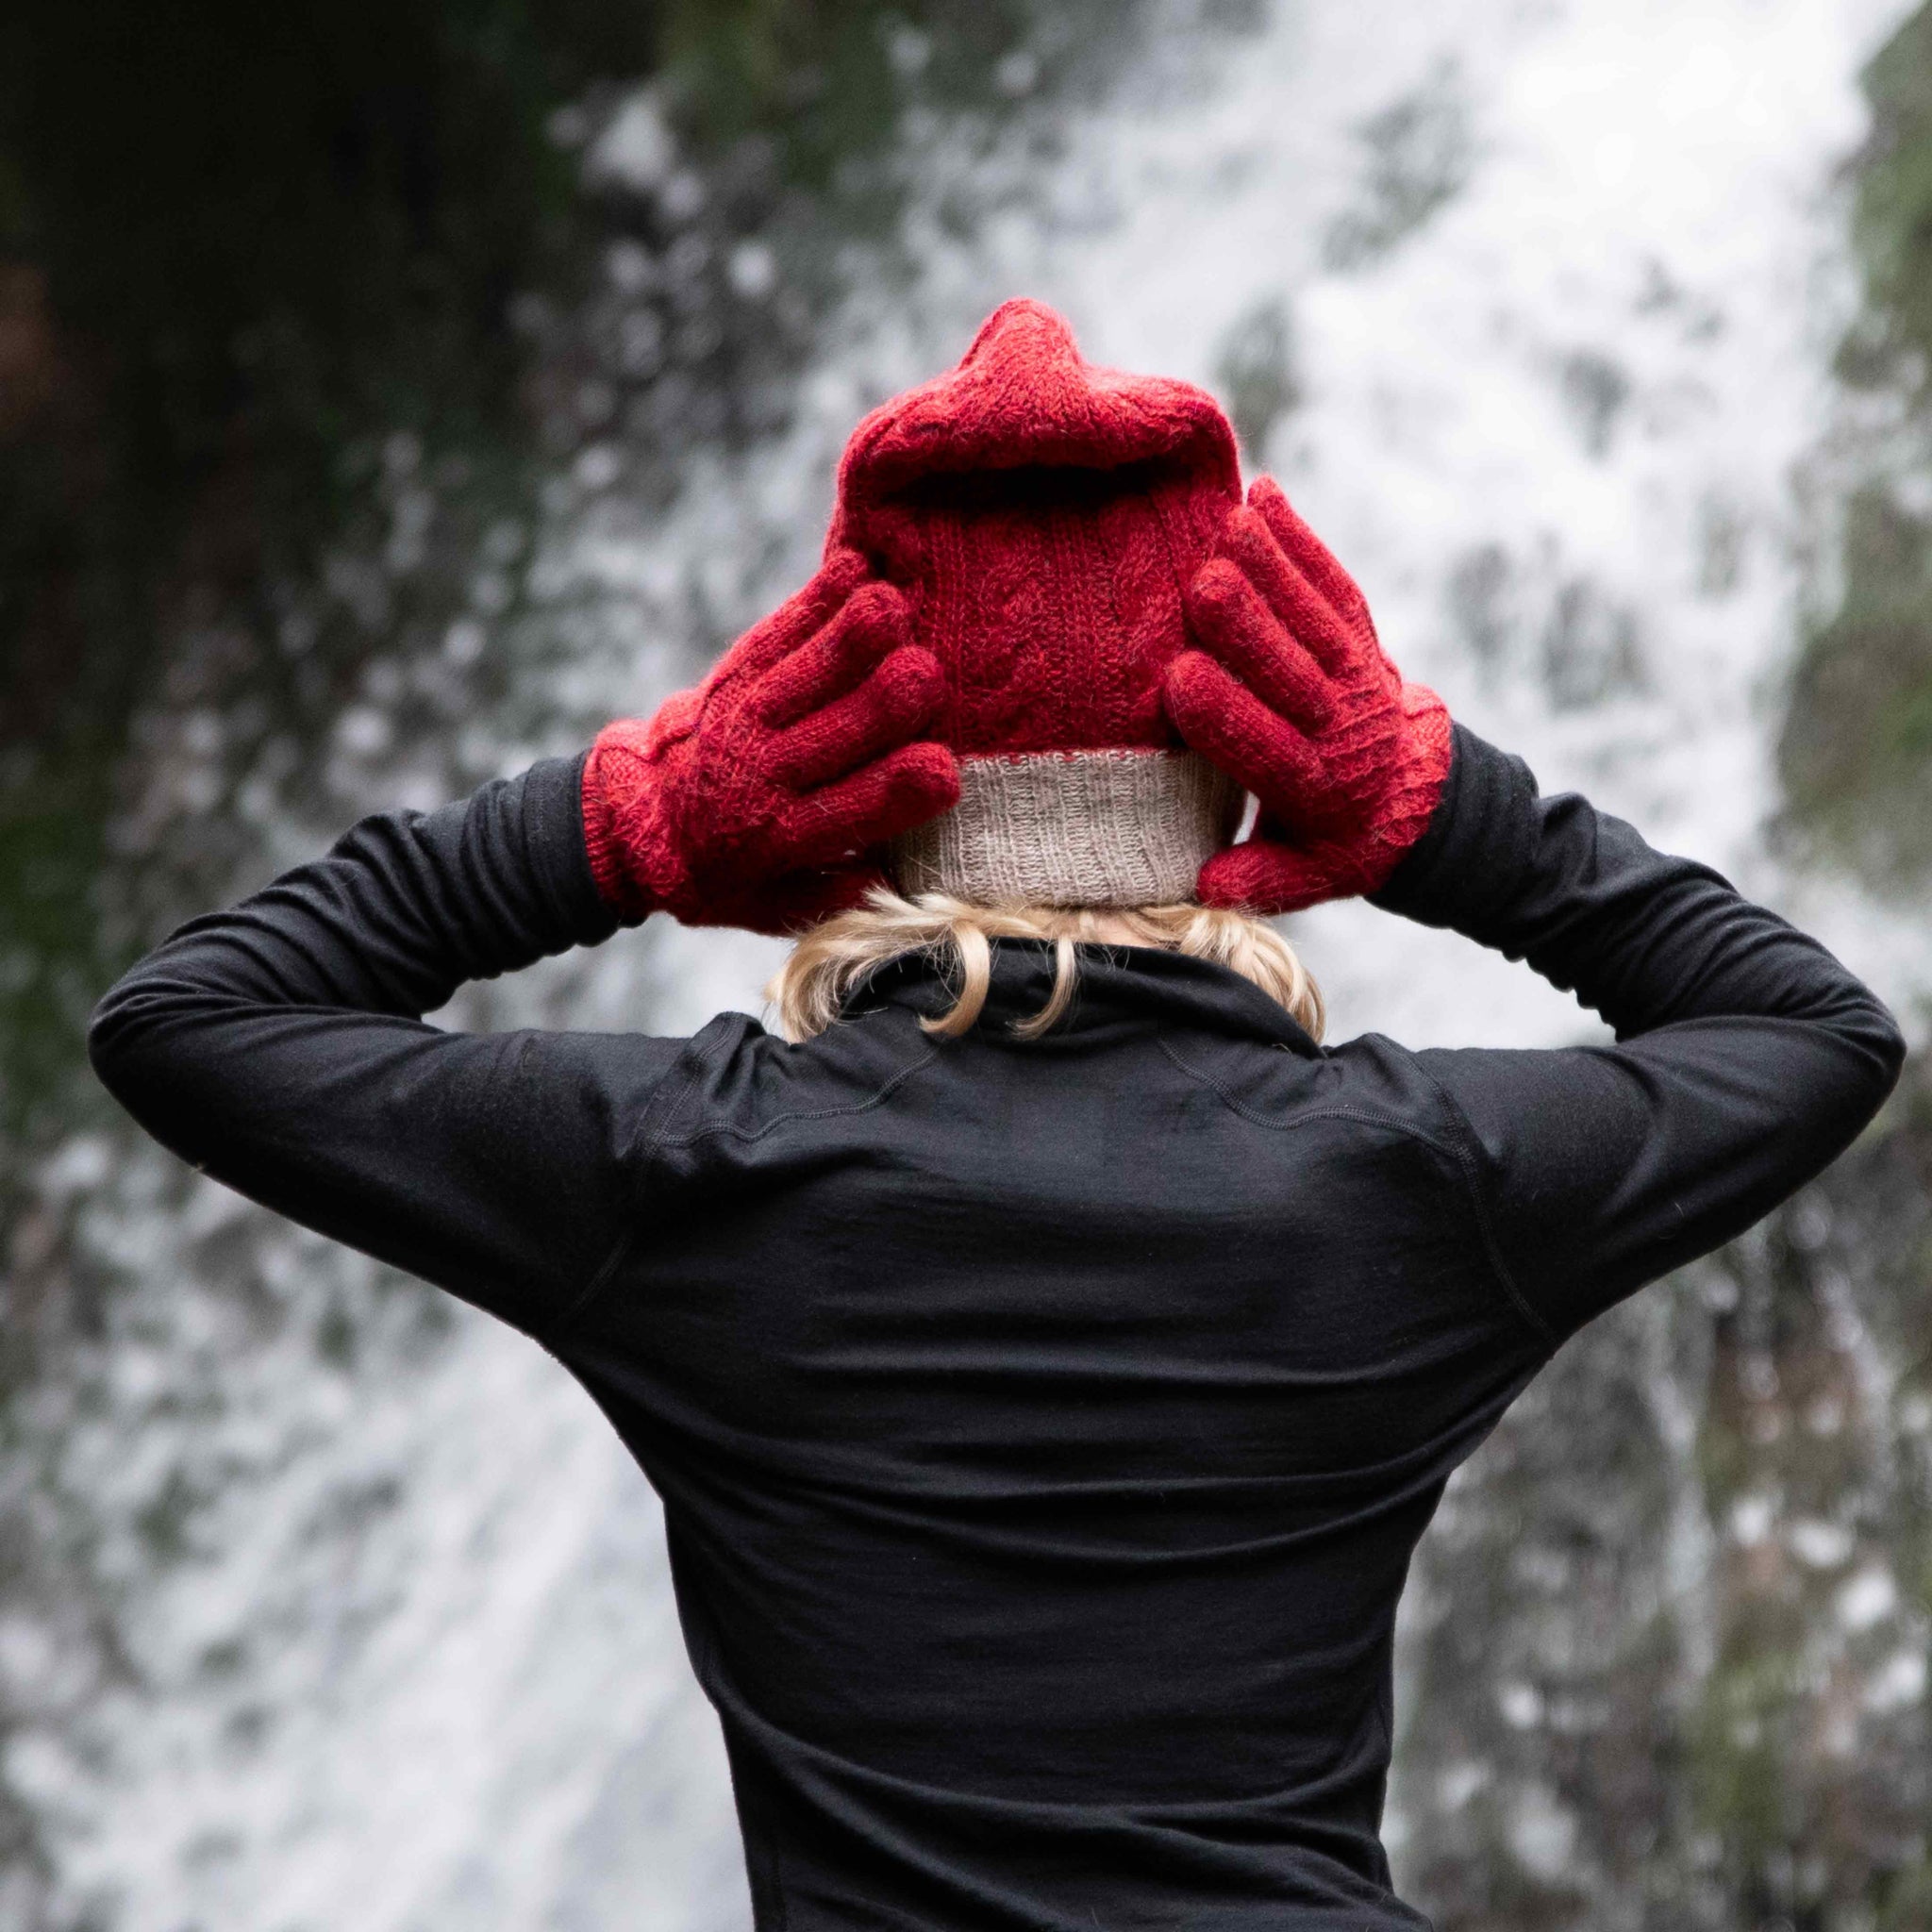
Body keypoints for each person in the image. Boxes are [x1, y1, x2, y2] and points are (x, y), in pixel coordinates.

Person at [90, 301, 1903, 1932]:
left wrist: (627, 821)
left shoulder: (687, 1170)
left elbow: (192, 1022)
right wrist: (1447, 812)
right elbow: (1812, 1031)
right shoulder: (1423, 1180)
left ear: (851, 782)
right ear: (1238, 775)